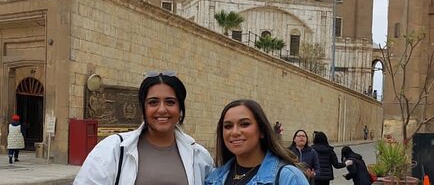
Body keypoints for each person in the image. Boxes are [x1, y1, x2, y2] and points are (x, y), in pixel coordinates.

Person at [73, 71, 213, 184]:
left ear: (180, 108)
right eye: (153, 102)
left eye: (170, 102)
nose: (162, 109)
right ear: (143, 108)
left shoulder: (200, 156)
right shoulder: (112, 150)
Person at [205, 99, 309, 185]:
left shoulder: (288, 177)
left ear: (262, 131)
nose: (234, 132)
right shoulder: (213, 178)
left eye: (244, 124)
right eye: (228, 126)